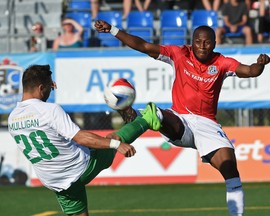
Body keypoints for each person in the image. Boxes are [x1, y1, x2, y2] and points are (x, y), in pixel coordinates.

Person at [94, 20, 270, 216]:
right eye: (198, 41)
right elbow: (143, 45)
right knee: (158, 113)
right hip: (180, 120)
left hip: (208, 126)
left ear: (214, 43)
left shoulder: (222, 63)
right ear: (192, 42)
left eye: (207, 42)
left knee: (232, 173)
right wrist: (113, 30)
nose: (202, 46)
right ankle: (133, 126)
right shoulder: (179, 54)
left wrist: (260, 65)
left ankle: (135, 115)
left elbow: (250, 71)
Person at [7, 64, 160, 216]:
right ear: (41, 88)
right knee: (111, 139)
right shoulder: (49, 110)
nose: (51, 89)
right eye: (50, 87)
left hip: (55, 182)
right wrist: (117, 145)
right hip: (81, 167)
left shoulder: (12, 118)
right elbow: (81, 138)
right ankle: (148, 119)